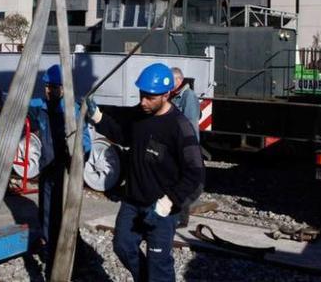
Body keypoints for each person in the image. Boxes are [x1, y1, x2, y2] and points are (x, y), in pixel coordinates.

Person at [87, 63, 204, 282]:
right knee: (123, 246)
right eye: (142, 94)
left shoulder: (179, 127)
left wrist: (169, 202)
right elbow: (122, 134)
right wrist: (98, 117)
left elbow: (195, 173)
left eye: (150, 97)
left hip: (162, 209)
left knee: (158, 264)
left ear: (166, 94)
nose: (143, 101)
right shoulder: (141, 114)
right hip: (133, 202)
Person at [27, 64, 91, 278]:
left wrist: (77, 155)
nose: (48, 91)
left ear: (64, 88)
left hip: (65, 174)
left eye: (53, 87)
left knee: (64, 216)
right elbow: (15, 102)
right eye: (46, 86)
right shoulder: (41, 106)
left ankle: (73, 257)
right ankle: (51, 253)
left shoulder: (72, 110)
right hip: (47, 170)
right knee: (46, 214)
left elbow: (85, 143)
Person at [169, 67, 202, 228]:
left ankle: (181, 219)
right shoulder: (175, 96)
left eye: (171, 80)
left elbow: (191, 125)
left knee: (183, 182)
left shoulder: (188, 97)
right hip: (177, 146)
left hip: (184, 148)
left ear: (179, 80)